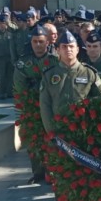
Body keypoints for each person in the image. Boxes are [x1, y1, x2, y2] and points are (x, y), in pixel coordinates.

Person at [40, 29, 101, 201]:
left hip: (83, 137)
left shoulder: (89, 73)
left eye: (71, 46)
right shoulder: (50, 75)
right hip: (59, 137)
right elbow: (44, 106)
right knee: (61, 178)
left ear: (78, 49)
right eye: (64, 47)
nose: (68, 50)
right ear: (57, 50)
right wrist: (51, 133)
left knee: (85, 176)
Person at [13, 24, 59, 184]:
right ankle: (38, 172)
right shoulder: (23, 63)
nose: (38, 45)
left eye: (41, 41)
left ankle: (52, 172)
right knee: (33, 141)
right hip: (31, 107)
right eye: (35, 42)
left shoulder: (55, 60)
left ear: (47, 42)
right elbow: (19, 86)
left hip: (52, 106)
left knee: (51, 140)